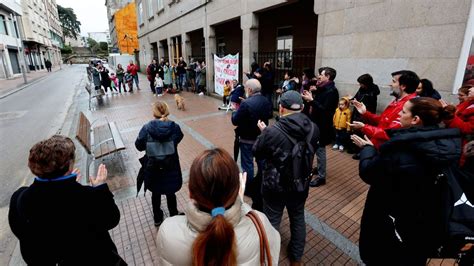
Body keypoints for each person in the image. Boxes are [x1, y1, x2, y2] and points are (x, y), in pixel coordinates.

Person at [351, 97, 461, 265]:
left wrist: (368, 150)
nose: (399, 115)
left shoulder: (400, 149)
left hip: (392, 221)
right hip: (423, 223)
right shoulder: (448, 146)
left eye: (403, 112)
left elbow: (369, 173)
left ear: (415, 119)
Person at [9, 135, 123, 265]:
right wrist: (100, 188)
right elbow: (112, 219)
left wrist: (67, 185)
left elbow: (21, 230)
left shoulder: (20, 198)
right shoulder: (88, 197)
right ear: (69, 166)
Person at [156, 148, 281, 265]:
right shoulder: (260, 224)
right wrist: (240, 204)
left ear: (190, 192)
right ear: (236, 191)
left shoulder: (167, 231)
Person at [253, 91, 319, 265]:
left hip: (274, 186)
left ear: (281, 108)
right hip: (300, 183)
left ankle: (270, 257)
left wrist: (263, 133)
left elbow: (257, 151)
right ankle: (296, 258)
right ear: (302, 107)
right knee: (297, 218)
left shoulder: (272, 132)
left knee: (272, 221)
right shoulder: (313, 128)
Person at [135, 101, 184, 227]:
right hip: (171, 166)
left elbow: (138, 146)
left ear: (154, 113)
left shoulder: (146, 128)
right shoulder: (174, 127)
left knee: (155, 192)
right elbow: (179, 138)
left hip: (153, 167)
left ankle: (157, 217)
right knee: (170, 191)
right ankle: (173, 213)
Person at [350, 70, 419, 149]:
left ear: (403, 86)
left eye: (394, 81)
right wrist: (365, 113)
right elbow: (383, 120)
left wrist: (364, 127)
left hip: (385, 150)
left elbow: (388, 133)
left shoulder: (408, 106)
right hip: (378, 146)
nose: (390, 84)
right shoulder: (398, 101)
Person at [231, 79, 273, 210]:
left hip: (247, 140)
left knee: (247, 165)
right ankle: (261, 185)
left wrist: (234, 110)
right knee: (261, 163)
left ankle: (248, 188)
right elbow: (269, 114)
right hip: (261, 138)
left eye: (245, 88)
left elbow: (235, 120)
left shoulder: (246, 104)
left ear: (249, 90)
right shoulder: (266, 100)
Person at [302, 67, 339, 187]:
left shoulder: (332, 91)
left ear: (328, 77)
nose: (318, 76)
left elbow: (325, 111)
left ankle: (321, 177)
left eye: (320, 75)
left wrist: (312, 100)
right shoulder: (322, 88)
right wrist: (312, 95)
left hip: (322, 126)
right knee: (313, 147)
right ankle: (317, 168)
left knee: (320, 150)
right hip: (315, 124)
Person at [349, 73, 380, 158]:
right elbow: (356, 97)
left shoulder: (373, 91)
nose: (360, 85)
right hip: (357, 112)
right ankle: (354, 148)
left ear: (366, 83)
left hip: (365, 114)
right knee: (355, 130)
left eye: (361, 83)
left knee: (363, 132)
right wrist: (352, 100)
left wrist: (358, 103)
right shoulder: (362, 89)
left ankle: (361, 151)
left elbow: (369, 105)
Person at [444, 86, 474, 167]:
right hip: (455, 142)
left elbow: (467, 129)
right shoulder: (469, 103)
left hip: (463, 147)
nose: (470, 89)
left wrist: (449, 114)